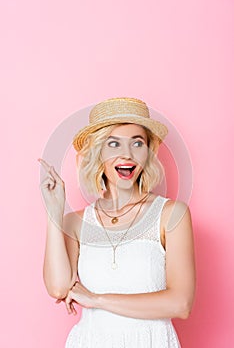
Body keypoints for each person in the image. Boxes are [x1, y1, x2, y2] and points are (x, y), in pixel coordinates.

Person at [39, 97, 196, 348]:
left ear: (147, 153)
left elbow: (181, 304)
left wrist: (97, 300)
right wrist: (54, 210)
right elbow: (58, 288)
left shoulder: (170, 214)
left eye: (138, 143)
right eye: (113, 144)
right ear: (97, 154)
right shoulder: (75, 223)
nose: (127, 154)